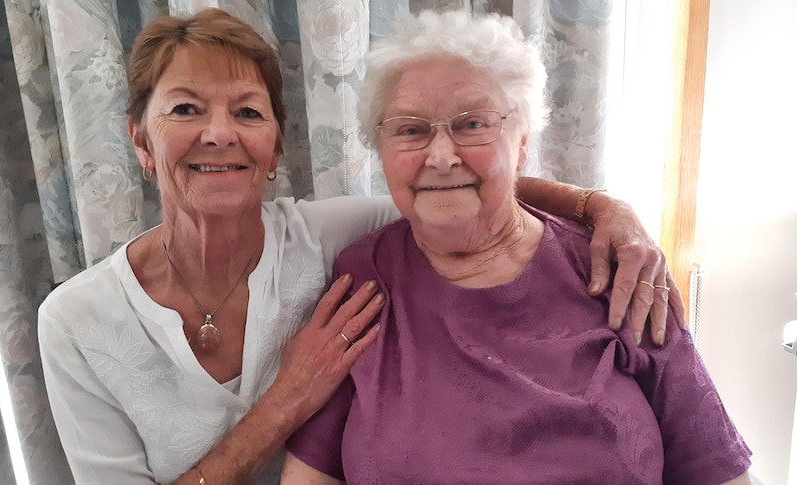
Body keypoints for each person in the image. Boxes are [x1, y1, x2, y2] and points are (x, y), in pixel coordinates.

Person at [38, 8, 679, 485]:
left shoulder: (332, 237)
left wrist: (604, 209)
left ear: (275, 149)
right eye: (183, 110)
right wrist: (287, 398)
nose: (218, 135)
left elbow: (454, 183)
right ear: (141, 143)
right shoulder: (76, 322)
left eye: (248, 112)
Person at [282, 10, 751, 485]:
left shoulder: (615, 268)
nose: (442, 157)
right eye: (410, 129)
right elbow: (312, 472)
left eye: (472, 125)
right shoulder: (364, 273)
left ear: (522, 142)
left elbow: (715, 467)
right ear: (380, 148)